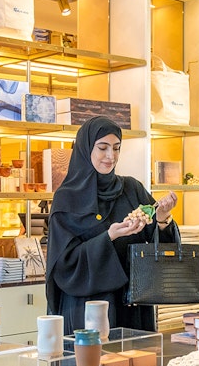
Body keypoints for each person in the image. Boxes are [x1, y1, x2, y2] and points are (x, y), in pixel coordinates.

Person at [46, 116, 178, 334]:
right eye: (103, 148)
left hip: (133, 303)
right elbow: (63, 265)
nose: (111, 156)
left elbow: (161, 248)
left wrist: (162, 218)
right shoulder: (67, 199)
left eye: (116, 148)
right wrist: (109, 237)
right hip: (88, 309)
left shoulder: (132, 189)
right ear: (85, 148)